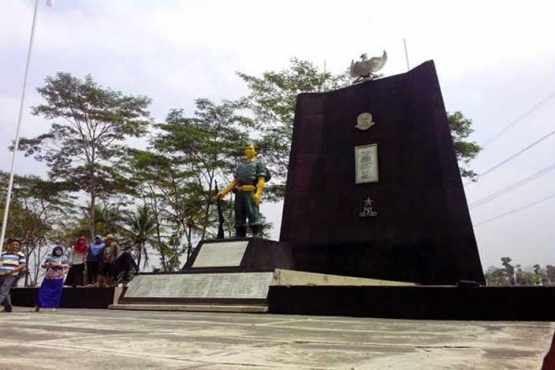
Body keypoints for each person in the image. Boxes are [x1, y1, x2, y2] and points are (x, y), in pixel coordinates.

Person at [217, 143, 270, 237]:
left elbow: (261, 179)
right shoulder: (241, 164)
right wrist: (224, 192)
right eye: (246, 149)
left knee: (252, 212)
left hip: (250, 191)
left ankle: (257, 233)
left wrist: (258, 194)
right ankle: (240, 234)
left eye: (250, 149)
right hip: (239, 192)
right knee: (239, 214)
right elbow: (234, 182)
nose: (247, 151)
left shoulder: (259, 162)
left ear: (256, 151)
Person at [34, 246, 69, 312]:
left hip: (58, 278)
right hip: (48, 278)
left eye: (60, 250)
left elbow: (66, 266)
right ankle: (38, 305)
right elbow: (44, 265)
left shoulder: (64, 258)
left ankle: (54, 306)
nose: (58, 252)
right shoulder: (50, 257)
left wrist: (56, 264)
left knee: (56, 293)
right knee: (43, 292)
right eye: (57, 250)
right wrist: (49, 265)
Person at [0, 238, 26, 313]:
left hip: (12, 274)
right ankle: (8, 307)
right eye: (13, 244)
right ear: (9, 245)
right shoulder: (3, 254)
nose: (15, 246)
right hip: (2, 274)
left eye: (17, 245)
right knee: (5, 290)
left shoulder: (20, 254)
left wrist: (12, 271)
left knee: (4, 289)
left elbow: (22, 265)